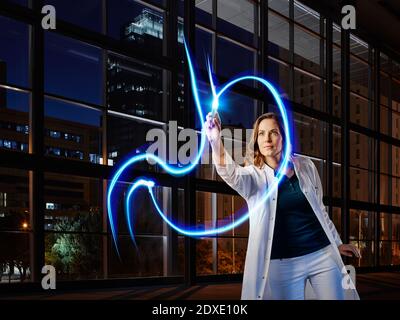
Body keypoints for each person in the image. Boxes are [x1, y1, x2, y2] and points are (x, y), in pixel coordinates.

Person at [205, 111, 361, 300]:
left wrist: (336, 243)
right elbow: (229, 171)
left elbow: (320, 211)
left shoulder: (305, 166)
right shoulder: (254, 177)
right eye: (261, 134)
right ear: (256, 141)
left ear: (283, 137)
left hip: (322, 255)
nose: (267, 138)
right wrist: (215, 141)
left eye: (273, 132)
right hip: (282, 264)